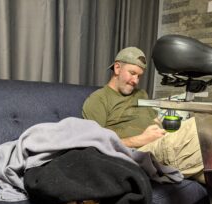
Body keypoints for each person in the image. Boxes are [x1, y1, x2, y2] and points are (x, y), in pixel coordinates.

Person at [82, 47, 204, 183]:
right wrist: (140, 139)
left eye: (139, 76)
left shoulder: (141, 94)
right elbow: (92, 146)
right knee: (202, 125)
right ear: (117, 68)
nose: (135, 80)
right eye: (132, 73)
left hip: (166, 142)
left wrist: (166, 128)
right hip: (140, 154)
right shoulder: (98, 99)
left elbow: (155, 121)